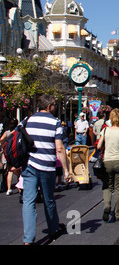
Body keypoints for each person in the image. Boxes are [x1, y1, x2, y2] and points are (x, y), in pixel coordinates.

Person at [22, 95, 72, 244]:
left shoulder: (27, 120)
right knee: (48, 199)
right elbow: (59, 148)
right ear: (49, 106)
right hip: (46, 166)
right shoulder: (55, 122)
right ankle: (53, 229)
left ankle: (28, 239)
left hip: (29, 165)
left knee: (28, 201)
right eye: (54, 105)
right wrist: (66, 169)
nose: (55, 107)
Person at [96, 108, 119, 222]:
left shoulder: (105, 130)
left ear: (111, 118)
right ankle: (118, 213)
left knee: (107, 186)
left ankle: (107, 206)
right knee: (118, 189)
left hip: (107, 161)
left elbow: (98, 146)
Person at [0, 118, 19, 196]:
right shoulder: (18, 132)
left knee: (10, 171)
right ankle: (20, 187)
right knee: (19, 171)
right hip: (16, 153)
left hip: (8, 153)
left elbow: (1, 139)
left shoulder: (7, 132)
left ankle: (9, 189)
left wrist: (3, 146)